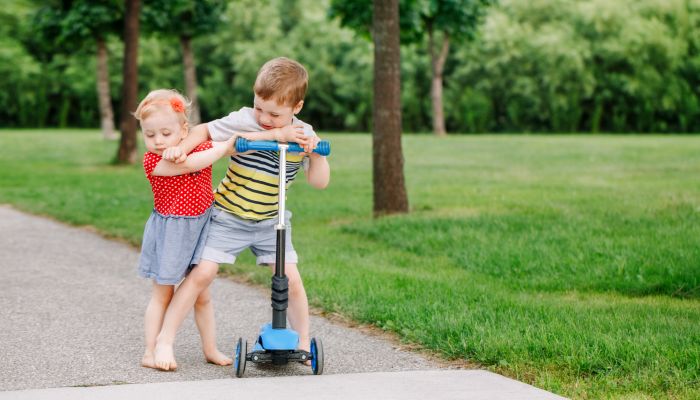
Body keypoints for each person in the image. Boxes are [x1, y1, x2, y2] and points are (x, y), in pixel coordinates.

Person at [152, 57, 330, 370]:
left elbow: (319, 183)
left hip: (271, 222)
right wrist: (182, 147)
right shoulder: (244, 120)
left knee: (292, 279)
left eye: (274, 114)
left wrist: (316, 156)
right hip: (228, 216)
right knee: (202, 274)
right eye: (259, 107)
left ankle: (302, 344)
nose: (264, 118)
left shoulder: (304, 134)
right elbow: (206, 130)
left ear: (297, 107)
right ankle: (164, 341)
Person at [134, 89, 236, 370]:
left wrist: (199, 145)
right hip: (171, 233)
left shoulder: (199, 146)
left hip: (202, 226)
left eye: (166, 133)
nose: (157, 141)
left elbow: (203, 145)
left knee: (202, 294)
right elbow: (193, 164)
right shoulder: (153, 161)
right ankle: (150, 350)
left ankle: (210, 348)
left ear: (184, 130)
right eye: (149, 134)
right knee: (163, 294)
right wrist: (224, 149)